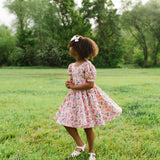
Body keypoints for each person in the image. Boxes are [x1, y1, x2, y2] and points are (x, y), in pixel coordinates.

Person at [54, 35, 122, 160]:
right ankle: (80, 145)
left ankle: (92, 150)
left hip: (86, 98)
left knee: (87, 125)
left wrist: (75, 86)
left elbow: (90, 85)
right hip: (74, 98)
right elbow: (72, 81)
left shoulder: (88, 66)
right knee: (65, 120)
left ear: (79, 50)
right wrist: (69, 84)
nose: (69, 49)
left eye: (71, 47)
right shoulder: (72, 66)